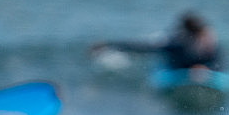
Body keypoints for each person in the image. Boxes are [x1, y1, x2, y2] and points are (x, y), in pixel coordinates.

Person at [92, 12, 222, 71]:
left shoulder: (211, 45)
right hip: (175, 69)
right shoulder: (176, 45)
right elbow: (141, 47)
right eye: (204, 36)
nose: (209, 39)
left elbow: (218, 65)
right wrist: (109, 44)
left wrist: (205, 68)